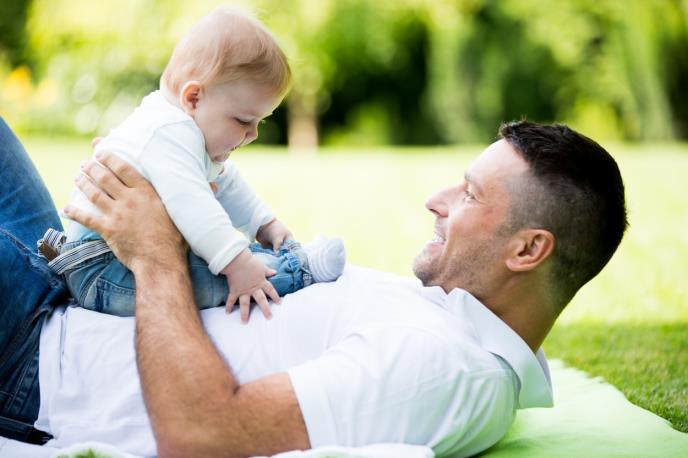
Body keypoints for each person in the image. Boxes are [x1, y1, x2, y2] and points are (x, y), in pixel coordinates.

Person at [0, 118, 628, 457]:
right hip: (71, 289)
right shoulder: (449, 318)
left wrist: (155, 252)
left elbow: (202, 435)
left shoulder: (447, 370)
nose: (435, 201)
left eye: (468, 195)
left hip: (34, 363)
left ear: (528, 250)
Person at [51, 6, 345, 321]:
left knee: (217, 262)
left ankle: (269, 258)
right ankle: (296, 269)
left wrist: (263, 223)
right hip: (103, 270)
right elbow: (193, 205)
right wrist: (238, 265)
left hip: (113, 261)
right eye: (243, 120)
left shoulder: (182, 129)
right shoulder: (168, 132)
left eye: (259, 122)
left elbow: (225, 180)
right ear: (193, 98)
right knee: (216, 277)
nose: (253, 134)